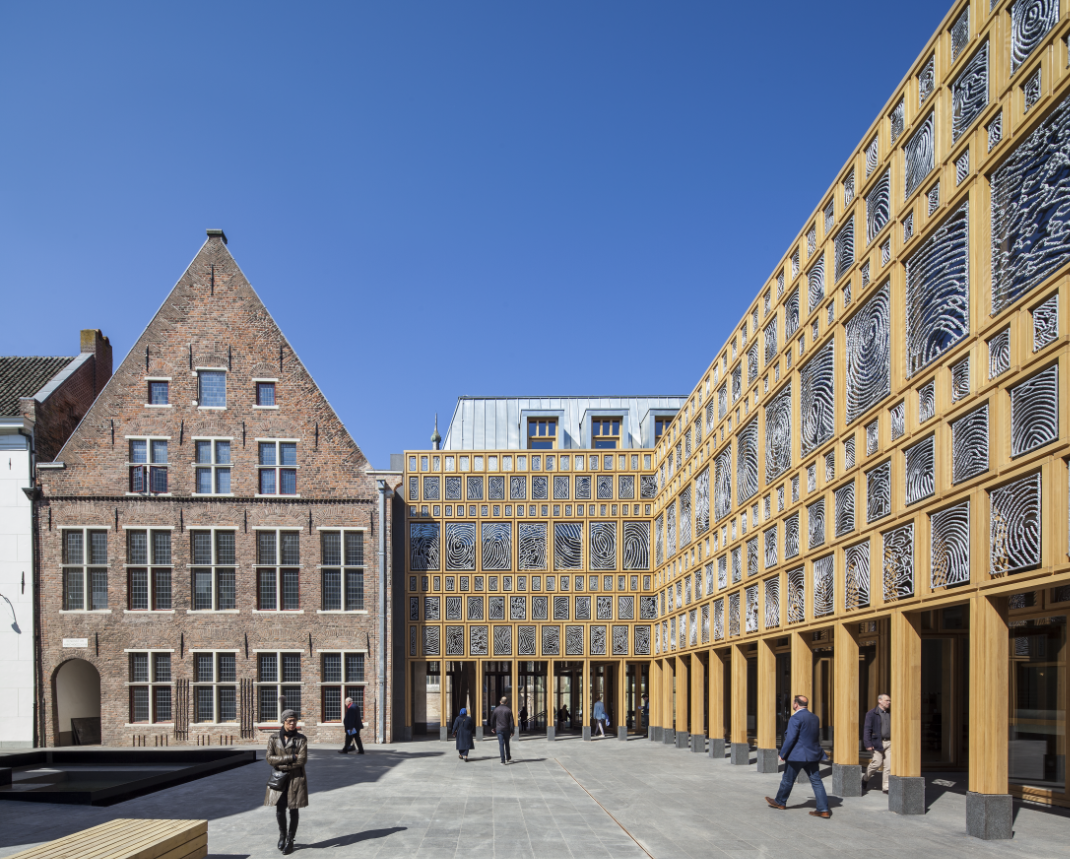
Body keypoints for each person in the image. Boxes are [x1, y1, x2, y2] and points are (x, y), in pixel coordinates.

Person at [764, 694, 831, 819]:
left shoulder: (795, 718)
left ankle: (780, 802)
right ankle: (823, 810)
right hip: (812, 755)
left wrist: (783, 753)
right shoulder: (814, 718)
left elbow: (791, 738)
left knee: (788, 779)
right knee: (816, 781)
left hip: (797, 755)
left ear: (795, 704)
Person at [265, 709, 308, 854]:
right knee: (280, 809)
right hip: (279, 779)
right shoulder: (273, 738)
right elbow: (269, 759)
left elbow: (302, 760)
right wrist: (291, 758)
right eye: (290, 721)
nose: (293, 723)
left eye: (295, 721)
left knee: (293, 809)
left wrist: (281, 763)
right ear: (283, 722)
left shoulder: (301, 739)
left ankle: (290, 840)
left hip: (295, 778)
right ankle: (282, 835)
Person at [863, 694, 891, 793]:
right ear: (880, 701)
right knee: (876, 763)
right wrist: (868, 744)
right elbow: (867, 729)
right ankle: (865, 779)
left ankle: (886, 787)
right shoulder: (871, 713)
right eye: (887, 700)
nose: (889, 702)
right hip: (877, 742)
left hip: (889, 742)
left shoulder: (891, 713)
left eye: (889, 701)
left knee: (889, 765)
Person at [492, 695, 514, 764]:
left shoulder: (496, 709)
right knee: (507, 743)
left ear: (500, 701)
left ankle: (502, 759)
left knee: (501, 744)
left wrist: (493, 728)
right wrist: (512, 731)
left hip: (499, 729)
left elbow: (492, 720)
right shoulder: (508, 710)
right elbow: (511, 722)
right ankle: (508, 757)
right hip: (506, 729)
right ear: (506, 702)